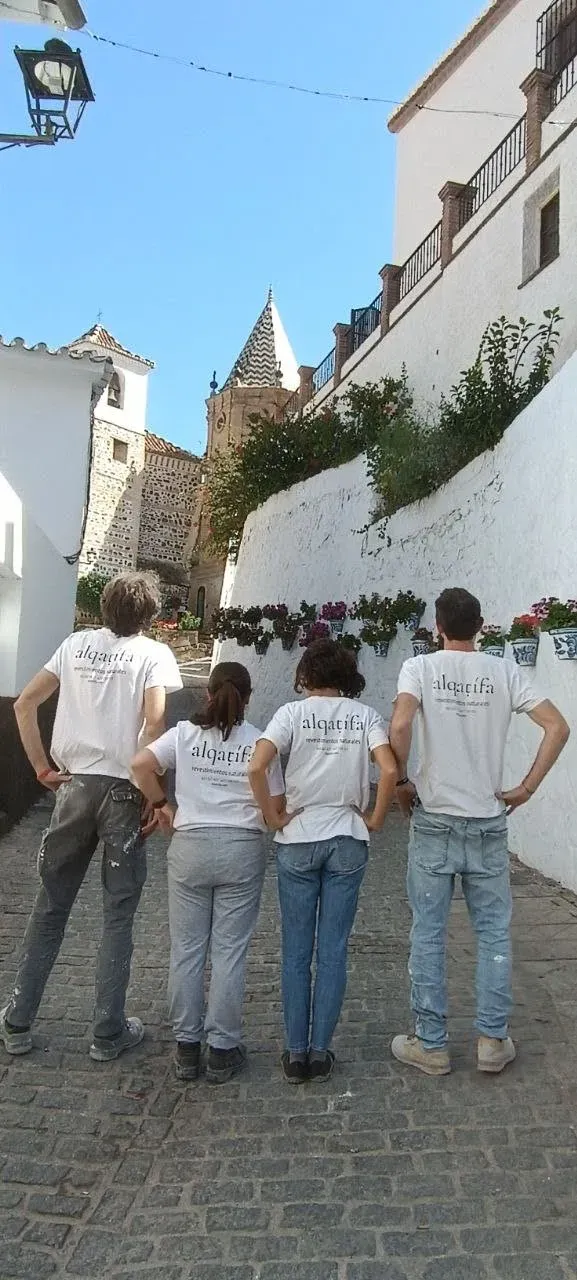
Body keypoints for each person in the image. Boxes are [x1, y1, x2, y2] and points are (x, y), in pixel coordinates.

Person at [0, 571, 182, 1062]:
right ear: (150, 613)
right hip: (123, 792)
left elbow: (25, 704)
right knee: (118, 914)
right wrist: (153, 789)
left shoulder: (75, 645)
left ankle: (18, 1020)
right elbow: (155, 722)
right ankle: (107, 1030)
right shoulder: (154, 655)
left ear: (104, 607)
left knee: (51, 906)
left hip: (74, 788)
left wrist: (41, 766)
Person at [389, 587, 570, 1077]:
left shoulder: (420, 668)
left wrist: (402, 780)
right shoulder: (504, 671)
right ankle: (492, 1039)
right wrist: (527, 787)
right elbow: (557, 726)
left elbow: (401, 724)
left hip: (435, 817)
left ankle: (431, 1043)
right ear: (482, 625)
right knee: (492, 930)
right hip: (488, 818)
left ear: (438, 626)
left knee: (428, 930)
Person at [248, 637, 398, 1084]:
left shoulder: (291, 714)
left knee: (296, 950)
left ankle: (295, 1054)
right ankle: (320, 1051)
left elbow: (257, 767)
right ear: (347, 677)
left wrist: (273, 816)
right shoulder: (365, 716)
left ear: (306, 674)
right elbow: (388, 770)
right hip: (347, 838)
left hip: (298, 837)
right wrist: (375, 817)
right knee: (332, 950)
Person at [131, 662, 285, 1085]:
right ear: (248, 697)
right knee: (229, 951)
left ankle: (186, 1046)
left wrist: (163, 805)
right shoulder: (259, 743)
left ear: (208, 694)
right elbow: (275, 805)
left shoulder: (183, 734)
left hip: (191, 846)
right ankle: (222, 1049)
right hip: (240, 849)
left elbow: (140, 764)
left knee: (187, 949)